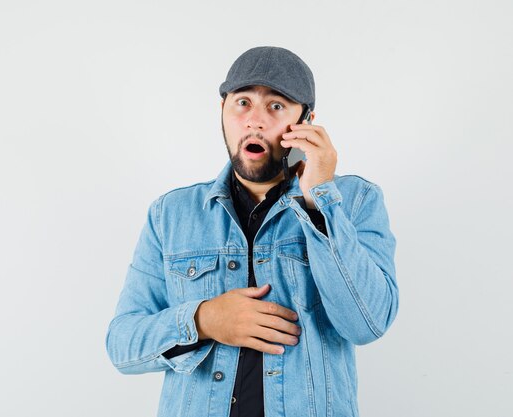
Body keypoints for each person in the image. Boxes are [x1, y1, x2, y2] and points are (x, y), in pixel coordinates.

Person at [105, 46, 399, 417]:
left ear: (306, 121)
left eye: (276, 106)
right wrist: (204, 320)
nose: (255, 121)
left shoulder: (355, 201)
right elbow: (122, 346)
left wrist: (320, 199)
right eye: (243, 103)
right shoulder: (170, 214)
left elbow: (367, 324)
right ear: (223, 111)